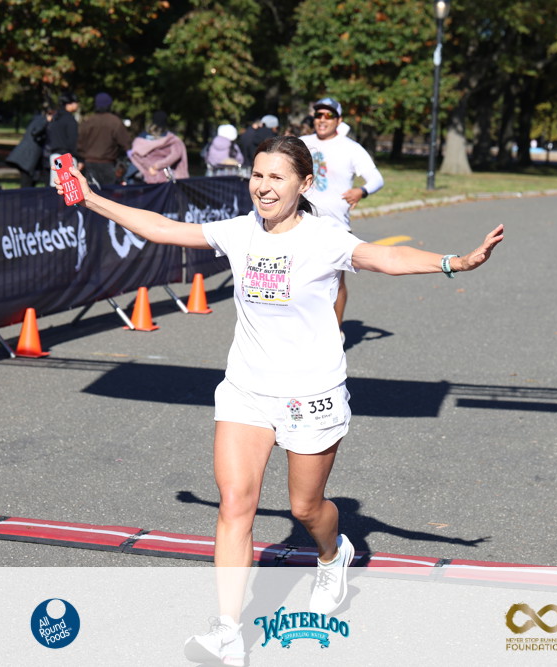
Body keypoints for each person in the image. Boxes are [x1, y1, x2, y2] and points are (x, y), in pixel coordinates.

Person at [54, 135, 503, 667]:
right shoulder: (240, 231)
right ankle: (228, 632)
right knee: (234, 505)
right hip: (246, 391)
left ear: (304, 184)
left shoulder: (324, 237)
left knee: (305, 508)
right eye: (257, 175)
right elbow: (163, 229)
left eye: (276, 178)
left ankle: (333, 555)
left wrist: (456, 262)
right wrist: (91, 197)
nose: (263, 187)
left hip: (311, 394)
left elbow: (386, 256)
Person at [300, 97, 385, 333]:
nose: (322, 120)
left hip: (335, 225)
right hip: (301, 221)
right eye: (318, 115)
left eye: (328, 116)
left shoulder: (351, 148)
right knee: (300, 279)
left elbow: (376, 178)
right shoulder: (302, 143)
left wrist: (361, 191)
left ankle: (335, 333)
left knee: (335, 280)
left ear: (339, 120)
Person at [77, 92, 131, 187]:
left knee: (91, 192)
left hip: (89, 163)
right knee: (108, 193)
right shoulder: (115, 122)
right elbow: (126, 143)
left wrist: (81, 157)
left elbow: (79, 143)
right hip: (108, 164)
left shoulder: (88, 121)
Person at [126, 110, 188, 184]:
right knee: (168, 188)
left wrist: (149, 167)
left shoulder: (142, 138)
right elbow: (175, 155)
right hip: (166, 173)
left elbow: (135, 154)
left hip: (145, 174)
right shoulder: (172, 139)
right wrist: (157, 166)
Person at [6, 106, 52, 188]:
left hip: (31, 159)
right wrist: (47, 121)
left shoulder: (38, 119)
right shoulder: (42, 120)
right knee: (26, 184)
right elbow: (35, 132)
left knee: (31, 181)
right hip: (28, 158)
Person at [46, 92, 80, 185]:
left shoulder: (55, 118)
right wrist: (79, 158)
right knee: (69, 186)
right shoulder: (70, 119)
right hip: (67, 158)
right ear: (69, 104)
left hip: (55, 156)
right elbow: (73, 141)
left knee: (57, 185)